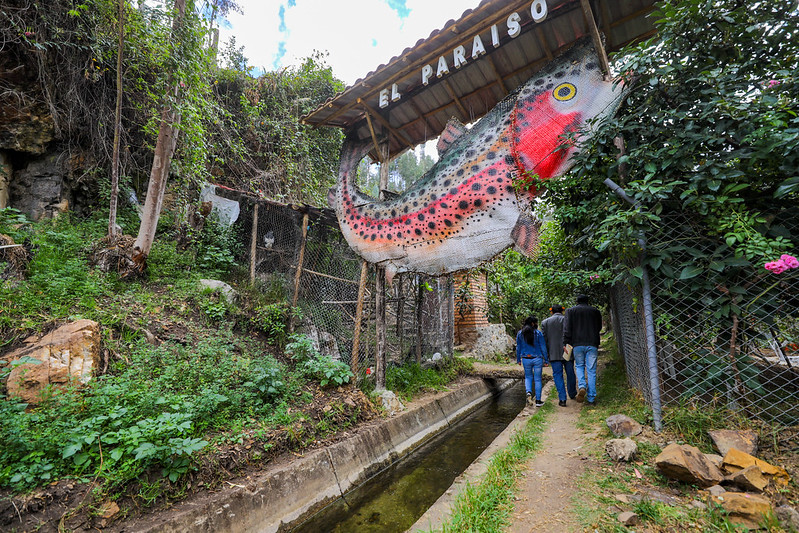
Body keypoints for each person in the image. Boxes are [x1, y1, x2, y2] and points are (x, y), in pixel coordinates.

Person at [563, 294, 602, 405]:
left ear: (577, 301)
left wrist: (566, 342)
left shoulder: (571, 311)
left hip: (577, 343)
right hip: (592, 343)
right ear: (587, 301)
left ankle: (582, 386)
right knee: (591, 370)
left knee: (579, 366)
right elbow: (598, 327)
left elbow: (567, 329)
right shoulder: (595, 311)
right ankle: (591, 398)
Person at [541, 304, 576, 407]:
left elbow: (545, 340)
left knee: (557, 375)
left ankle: (562, 399)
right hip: (567, 352)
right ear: (562, 311)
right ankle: (572, 393)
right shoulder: (567, 320)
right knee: (570, 372)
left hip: (553, 353)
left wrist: (546, 354)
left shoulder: (545, 322)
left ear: (551, 311)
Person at [516, 316, 548, 407]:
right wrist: (546, 359)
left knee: (528, 377)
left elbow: (518, 347)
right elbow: (543, 348)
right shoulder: (538, 333)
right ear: (533, 323)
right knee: (538, 379)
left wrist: (518, 359)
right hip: (537, 359)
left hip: (526, 359)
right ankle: (538, 401)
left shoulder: (520, 333)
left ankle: (529, 392)